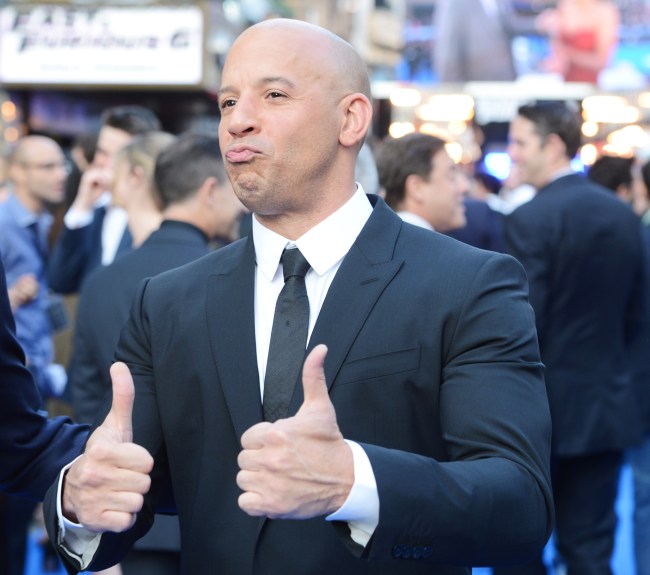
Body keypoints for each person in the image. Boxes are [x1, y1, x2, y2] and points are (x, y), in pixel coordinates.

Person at [45, 18, 553, 575]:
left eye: (274, 95)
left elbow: (520, 504)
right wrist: (78, 501)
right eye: (228, 101)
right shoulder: (166, 302)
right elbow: (129, 487)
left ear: (350, 119)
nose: (237, 120)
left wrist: (354, 482)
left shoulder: (467, 284)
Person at [500, 101, 645, 575]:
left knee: (518, 552)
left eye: (520, 142)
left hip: (539, 418)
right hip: (607, 409)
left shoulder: (529, 219)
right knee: (592, 551)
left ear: (553, 145)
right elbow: (639, 319)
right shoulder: (623, 215)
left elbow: (525, 325)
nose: (512, 153)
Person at [48, 105, 161, 294]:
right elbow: (60, 281)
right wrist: (82, 206)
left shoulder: (158, 214)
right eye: (100, 151)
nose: (99, 161)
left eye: (113, 155)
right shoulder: (92, 210)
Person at [375, 132, 467, 233]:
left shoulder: (389, 235)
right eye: (452, 176)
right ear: (416, 188)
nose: (464, 187)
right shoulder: (416, 240)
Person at [433, 0, 538, 83]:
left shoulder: (500, 2)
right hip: (478, 87)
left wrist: (537, 24)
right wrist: (454, 94)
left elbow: (509, 25)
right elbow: (447, 53)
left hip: (507, 81)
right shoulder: (454, 3)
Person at [536, 0, 620, 84]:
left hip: (589, 86)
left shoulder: (605, 13)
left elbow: (601, 62)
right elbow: (557, 55)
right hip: (562, 84)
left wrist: (569, 56)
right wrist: (552, 30)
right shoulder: (565, 8)